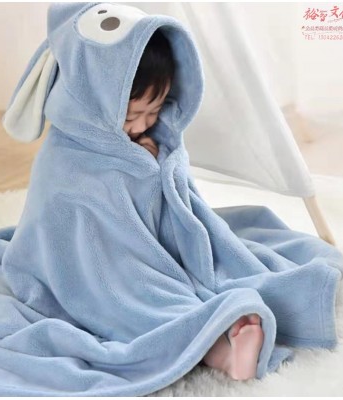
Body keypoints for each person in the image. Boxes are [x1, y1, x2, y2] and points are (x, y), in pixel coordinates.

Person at [123, 29, 264, 381]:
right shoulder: (73, 147)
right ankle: (221, 353)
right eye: (129, 116)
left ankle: (225, 337)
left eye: (154, 111)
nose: (141, 125)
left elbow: (176, 202)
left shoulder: (153, 140)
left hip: (153, 249)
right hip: (109, 260)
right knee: (135, 302)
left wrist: (153, 167)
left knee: (180, 284)